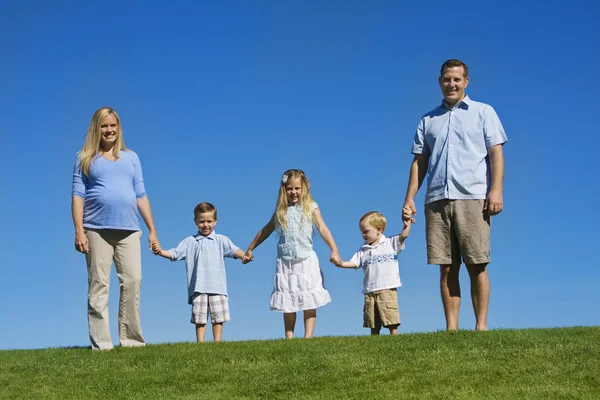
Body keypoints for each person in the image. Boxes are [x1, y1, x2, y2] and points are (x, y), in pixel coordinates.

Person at [403, 59, 507, 331]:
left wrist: (496, 191)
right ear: (440, 82)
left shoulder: (484, 112)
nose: (452, 84)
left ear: (466, 82)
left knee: (477, 264)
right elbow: (419, 162)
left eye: (457, 79)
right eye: (447, 79)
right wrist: (409, 198)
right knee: (446, 266)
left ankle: (481, 327)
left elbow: (496, 153)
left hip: (473, 197)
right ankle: (452, 329)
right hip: (436, 199)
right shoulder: (428, 120)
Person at [72, 107, 159, 350]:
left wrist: (152, 229)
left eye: (113, 125)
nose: (109, 130)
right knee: (99, 285)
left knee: (133, 280)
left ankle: (131, 340)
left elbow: (141, 194)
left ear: (118, 128)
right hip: (95, 229)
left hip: (129, 229)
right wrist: (79, 230)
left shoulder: (131, 158)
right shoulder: (84, 157)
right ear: (96, 129)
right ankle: (101, 344)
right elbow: (77, 196)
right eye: (104, 126)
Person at [243, 169, 341, 339]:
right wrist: (251, 248)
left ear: (304, 188)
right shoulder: (282, 211)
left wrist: (334, 250)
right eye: (289, 189)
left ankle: (308, 337)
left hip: (306, 260)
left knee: (309, 299)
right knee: (288, 301)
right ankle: (289, 337)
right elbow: (265, 231)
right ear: (284, 190)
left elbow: (322, 228)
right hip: (286, 261)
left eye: (297, 188)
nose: (293, 192)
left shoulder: (311, 207)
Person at [152, 202, 246, 343]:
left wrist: (244, 256)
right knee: (200, 319)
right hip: (198, 287)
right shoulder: (190, 241)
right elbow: (174, 254)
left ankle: (217, 343)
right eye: (202, 221)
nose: (205, 225)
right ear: (196, 222)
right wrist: (160, 252)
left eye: (209, 221)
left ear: (215, 222)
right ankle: (200, 344)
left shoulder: (221, 240)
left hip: (218, 287)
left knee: (218, 318)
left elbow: (234, 250)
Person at [335, 208, 413, 335]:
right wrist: (340, 263)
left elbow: (403, 236)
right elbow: (354, 263)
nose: (363, 235)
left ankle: (395, 337)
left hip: (387, 288)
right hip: (370, 290)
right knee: (372, 321)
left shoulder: (390, 243)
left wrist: (407, 223)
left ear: (378, 229)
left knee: (390, 318)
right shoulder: (363, 250)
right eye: (362, 232)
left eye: (366, 231)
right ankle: (374, 341)